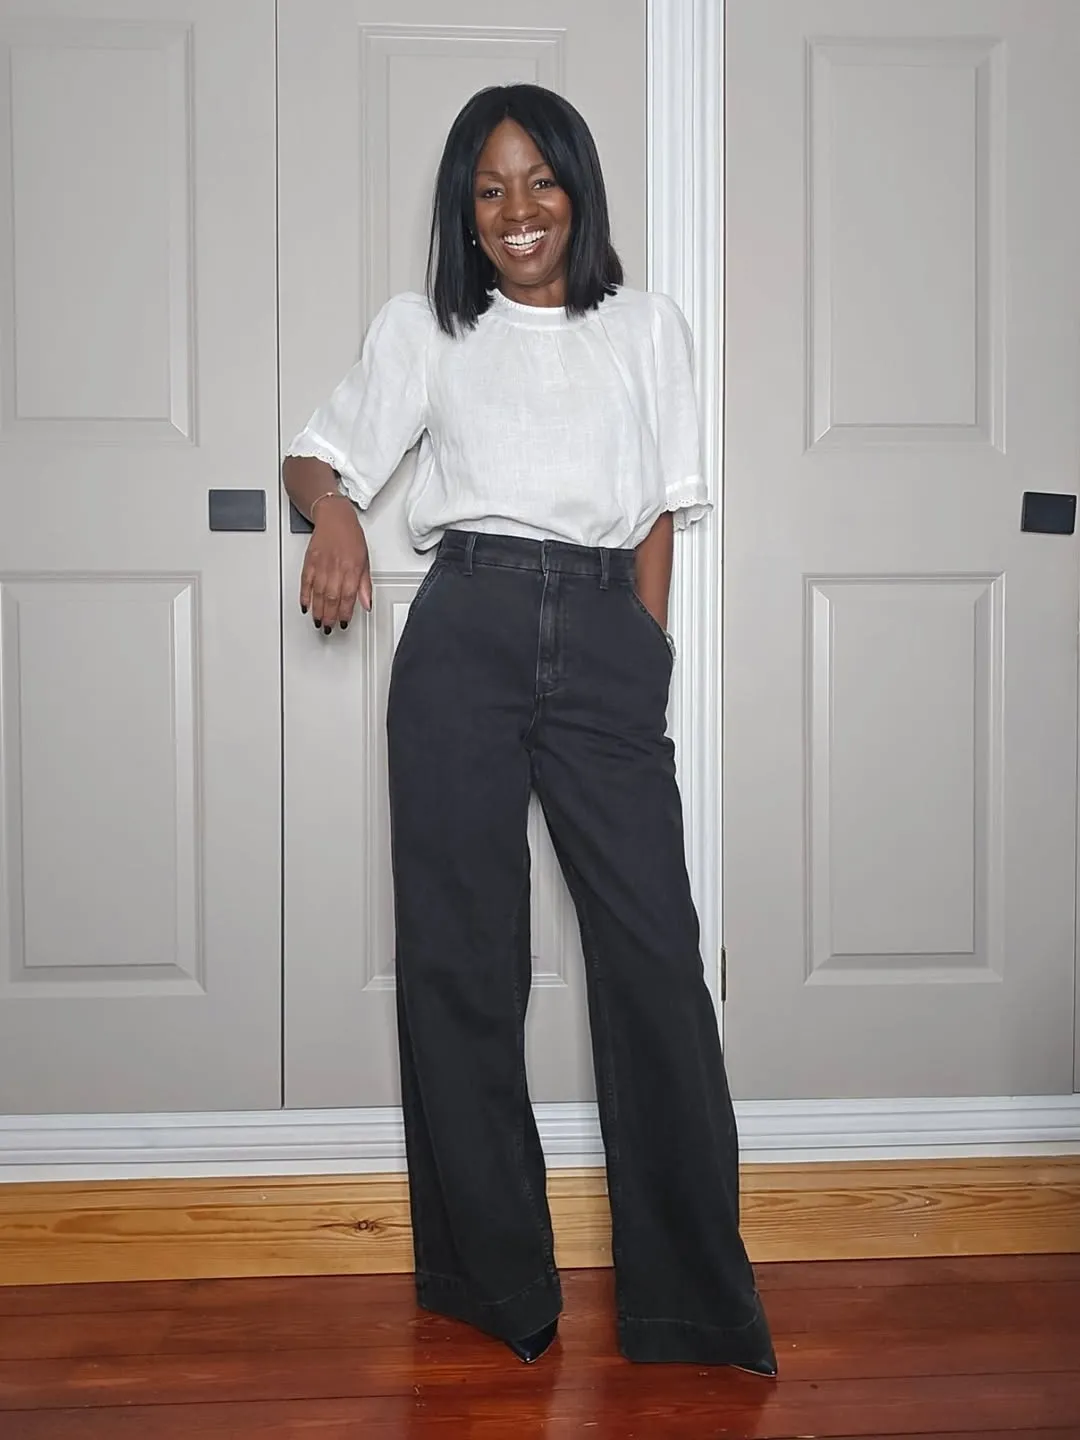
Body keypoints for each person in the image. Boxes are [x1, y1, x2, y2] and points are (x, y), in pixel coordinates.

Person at [281, 83, 776, 1375]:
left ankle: (691, 1306)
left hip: (608, 633)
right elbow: (313, 456)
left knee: (656, 964)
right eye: (490, 187)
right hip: (465, 632)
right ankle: (490, 1281)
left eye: (540, 181)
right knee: (463, 959)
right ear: (465, 205)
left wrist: (644, 652)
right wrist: (335, 512)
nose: (517, 211)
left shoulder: (648, 327)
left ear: (579, 188)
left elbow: (666, 508)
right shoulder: (425, 329)